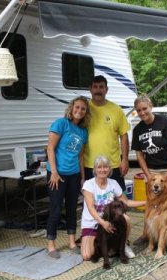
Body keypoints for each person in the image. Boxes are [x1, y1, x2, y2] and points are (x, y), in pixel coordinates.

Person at [131, 94, 167, 251]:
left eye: (144, 109)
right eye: (139, 110)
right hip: (153, 170)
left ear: (150, 107)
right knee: (151, 203)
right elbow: (139, 154)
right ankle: (147, 234)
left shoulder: (164, 122)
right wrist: (147, 174)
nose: (142, 113)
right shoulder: (138, 129)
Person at [46, 96, 91, 259]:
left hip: (74, 174)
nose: (79, 111)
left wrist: (82, 177)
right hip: (57, 174)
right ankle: (51, 244)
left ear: (86, 112)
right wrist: (54, 172)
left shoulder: (83, 131)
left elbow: (81, 155)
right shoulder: (61, 123)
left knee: (72, 208)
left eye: (83, 109)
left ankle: (72, 241)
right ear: (72, 108)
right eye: (77, 107)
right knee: (56, 209)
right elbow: (50, 148)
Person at [80, 155, 146, 261]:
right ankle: (93, 241)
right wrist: (102, 223)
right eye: (99, 167)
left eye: (105, 167)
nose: (102, 170)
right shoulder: (89, 184)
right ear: (95, 169)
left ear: (109, 169)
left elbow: (127, 202)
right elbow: (91, 208)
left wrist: (146, 202)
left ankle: (123, 245)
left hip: (109, 220)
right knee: (87, 256)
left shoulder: (113, 183)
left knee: (126, 218)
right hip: (92, 222)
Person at [84, 75, 130, 191]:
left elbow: (124, 136)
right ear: (90, 89)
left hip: (112, 165)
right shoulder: (84, 109)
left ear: (106, 89)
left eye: (101, 87)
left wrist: (125, 160)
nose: (98, 90)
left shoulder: (116, 110)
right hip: (89, 164)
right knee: (92, 200)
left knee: (117, 201)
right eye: (95, 87)